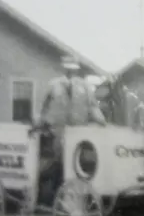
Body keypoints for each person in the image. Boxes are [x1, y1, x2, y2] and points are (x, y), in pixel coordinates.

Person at [33, 58, 107, 205]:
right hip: (57, 130)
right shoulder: (53, 85)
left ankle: (74, 197)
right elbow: (43, 107)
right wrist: (40, 123)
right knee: (58, 162)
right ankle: (51, 197)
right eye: (68, 68)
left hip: (78, 132)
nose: (71, 71)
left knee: (76, 163)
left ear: (77, 70)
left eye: (73, 69)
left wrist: (102, 122)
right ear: (64, 69)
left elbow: (93, 107)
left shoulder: (85, 87)